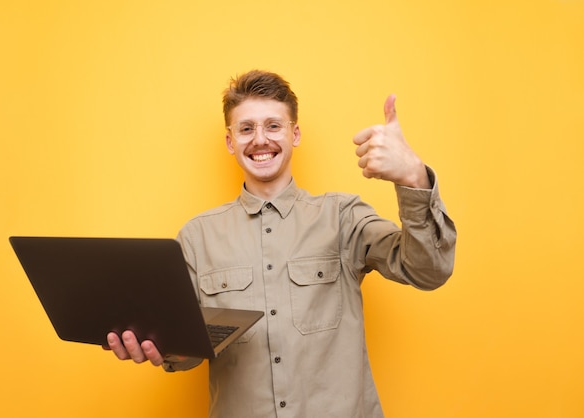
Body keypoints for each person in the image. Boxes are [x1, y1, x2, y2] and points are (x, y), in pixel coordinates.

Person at [105, 70, 456, 417]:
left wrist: (413, 178)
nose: (260, 139)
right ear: (230, 141)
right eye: (246, 128)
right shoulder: (196, 238)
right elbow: (190, 349)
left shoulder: (343, 216)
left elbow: (428, 271)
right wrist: (165, 349)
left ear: (295, 133)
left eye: (273, 126)